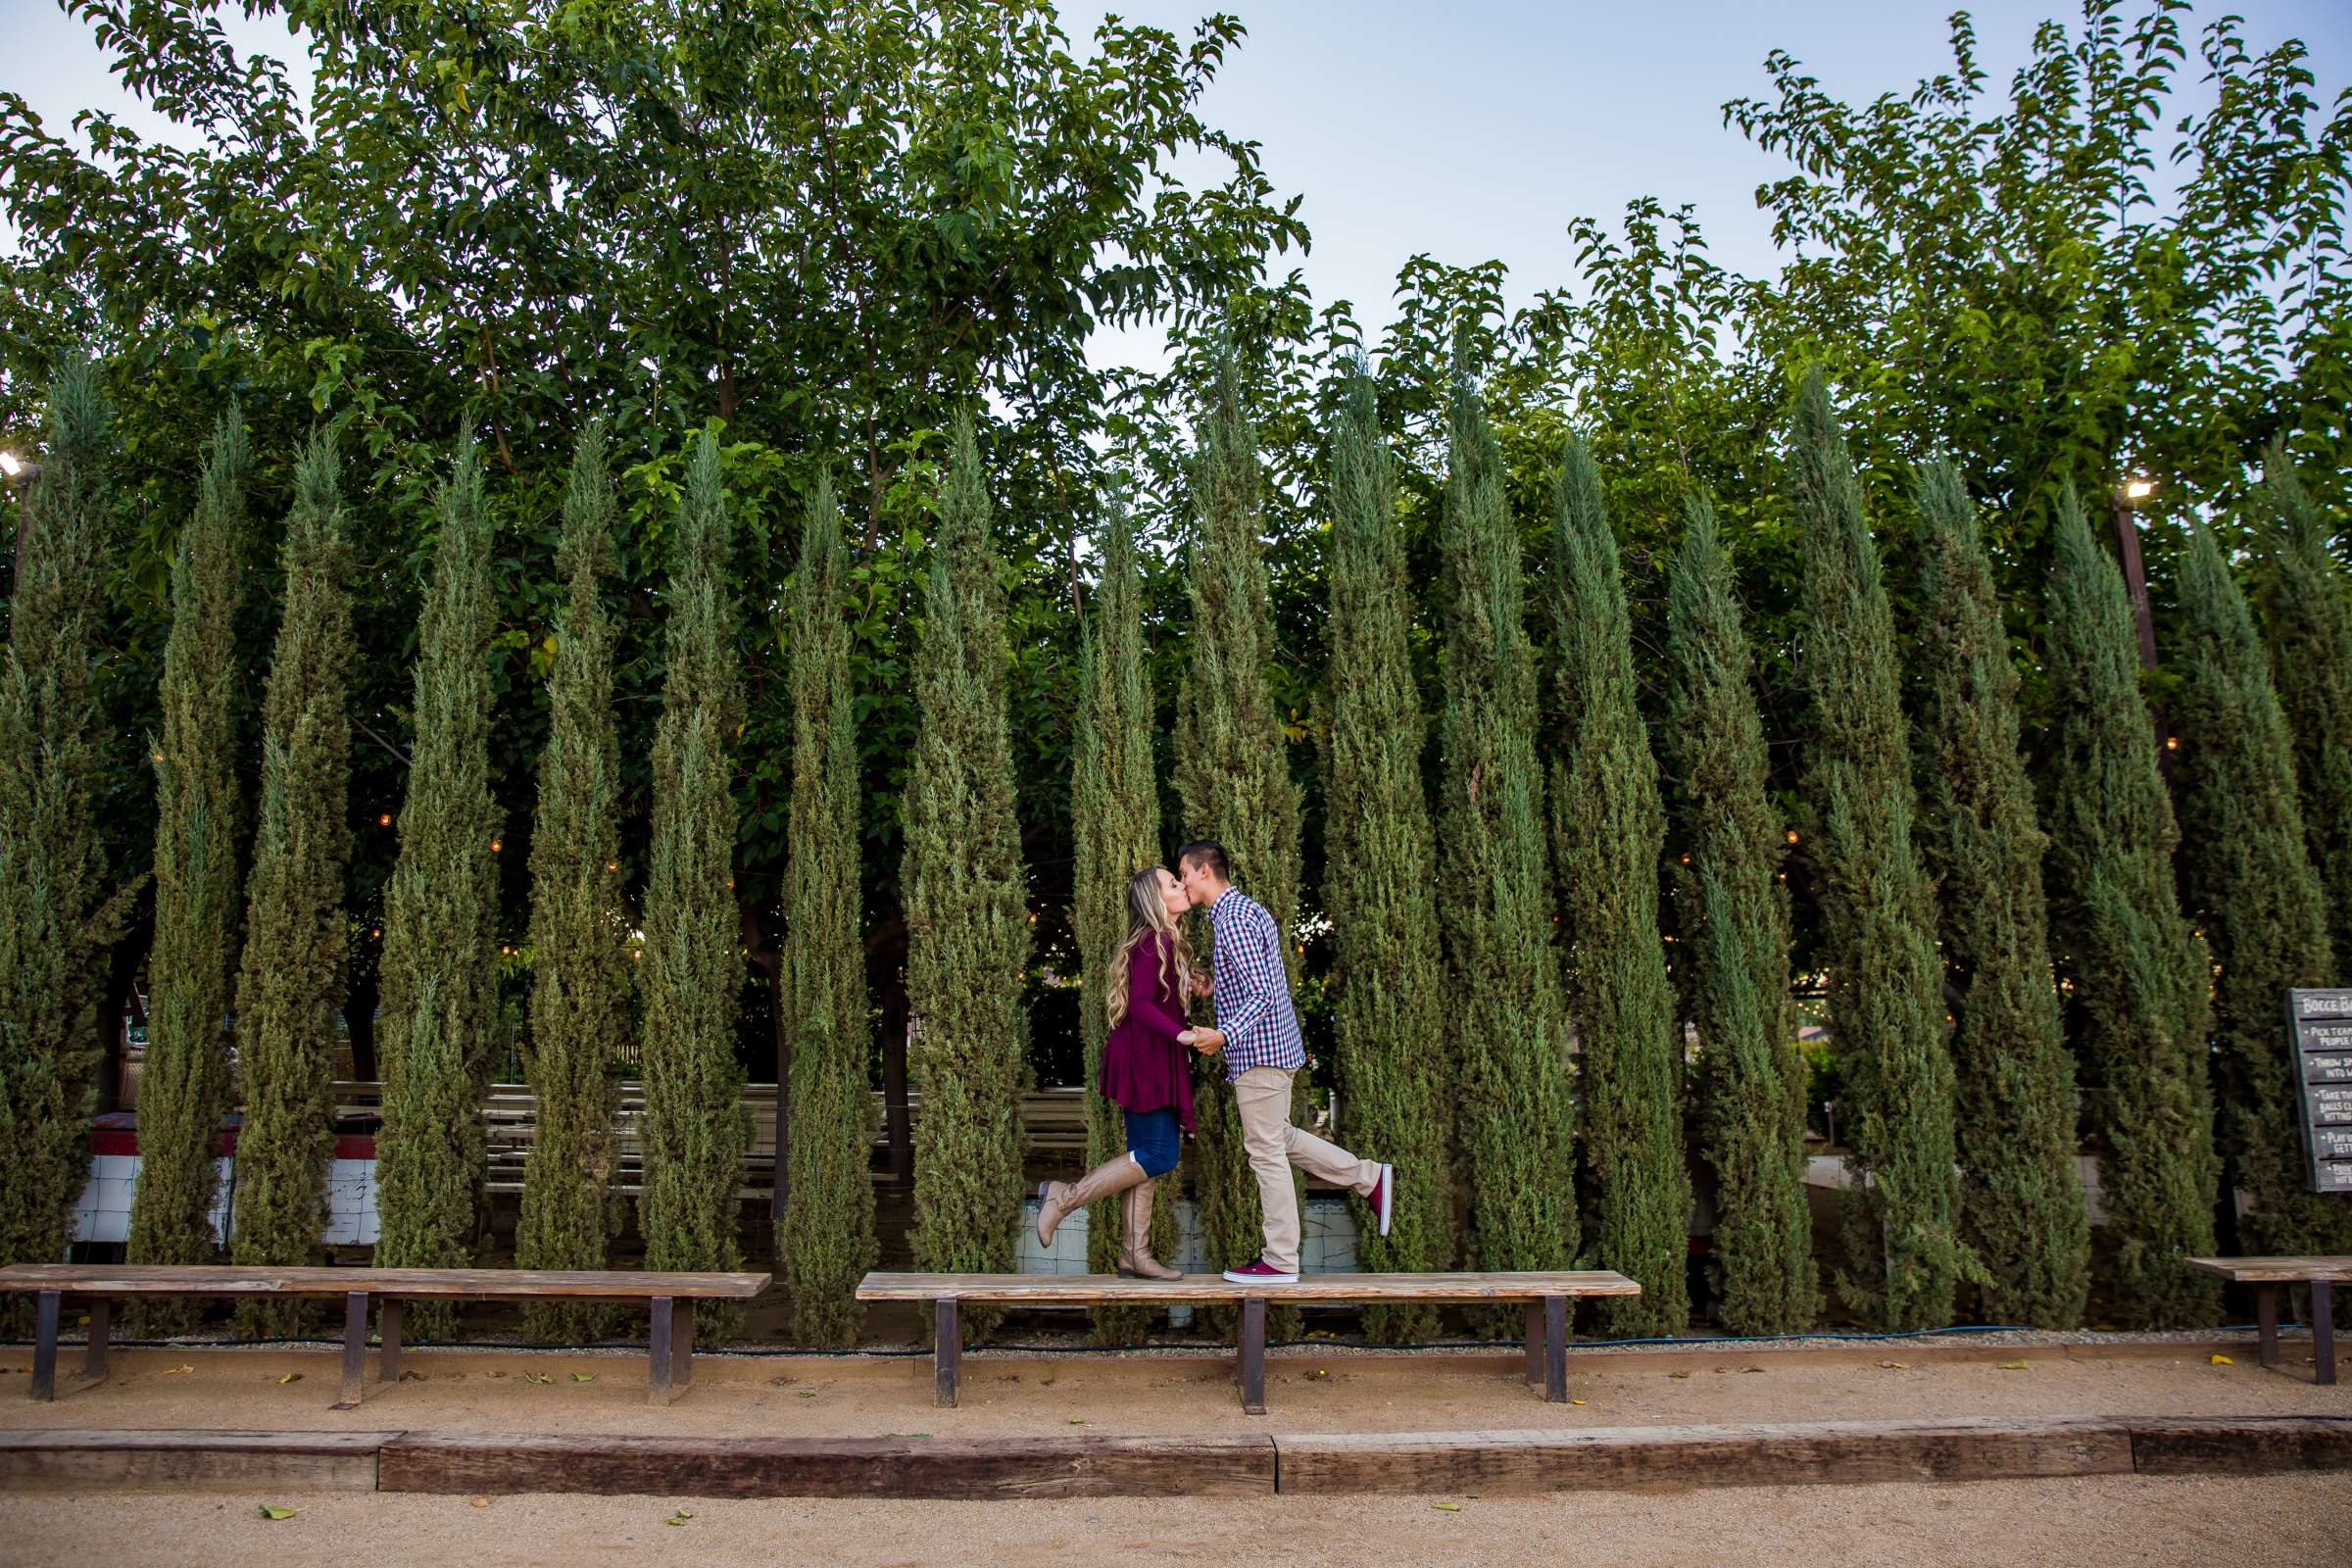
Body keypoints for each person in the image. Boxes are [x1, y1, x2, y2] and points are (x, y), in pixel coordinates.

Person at [1175, 840, 1392, 1285]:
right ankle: (1370, 1178)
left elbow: (1263, 994)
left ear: (1204, 871)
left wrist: (1223, 1035)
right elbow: (1258, 981)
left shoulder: (1232, 920)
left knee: (1265, 1154)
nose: (1182, 882)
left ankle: (1280, 1260)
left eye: (1184, 872)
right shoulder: (1245, 910)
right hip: (1274, 1050)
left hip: (1258, 1055)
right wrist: (1212, 987)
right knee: (1278, 1139)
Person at [1033, 866, 1197, 1278]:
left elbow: (1155, 998)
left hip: (1148, 1058)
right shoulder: (1153, 940)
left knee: (1146, 1159)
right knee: (1159, 1154)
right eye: (1172, 884)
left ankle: (1134, 1254)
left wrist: (1193, 985)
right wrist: (1181, 1036)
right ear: (1155, 900)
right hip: (1147, 1060)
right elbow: (1140, 1005)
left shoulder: (1163, 942)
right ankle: (1064, 1197)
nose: (1181, 885)